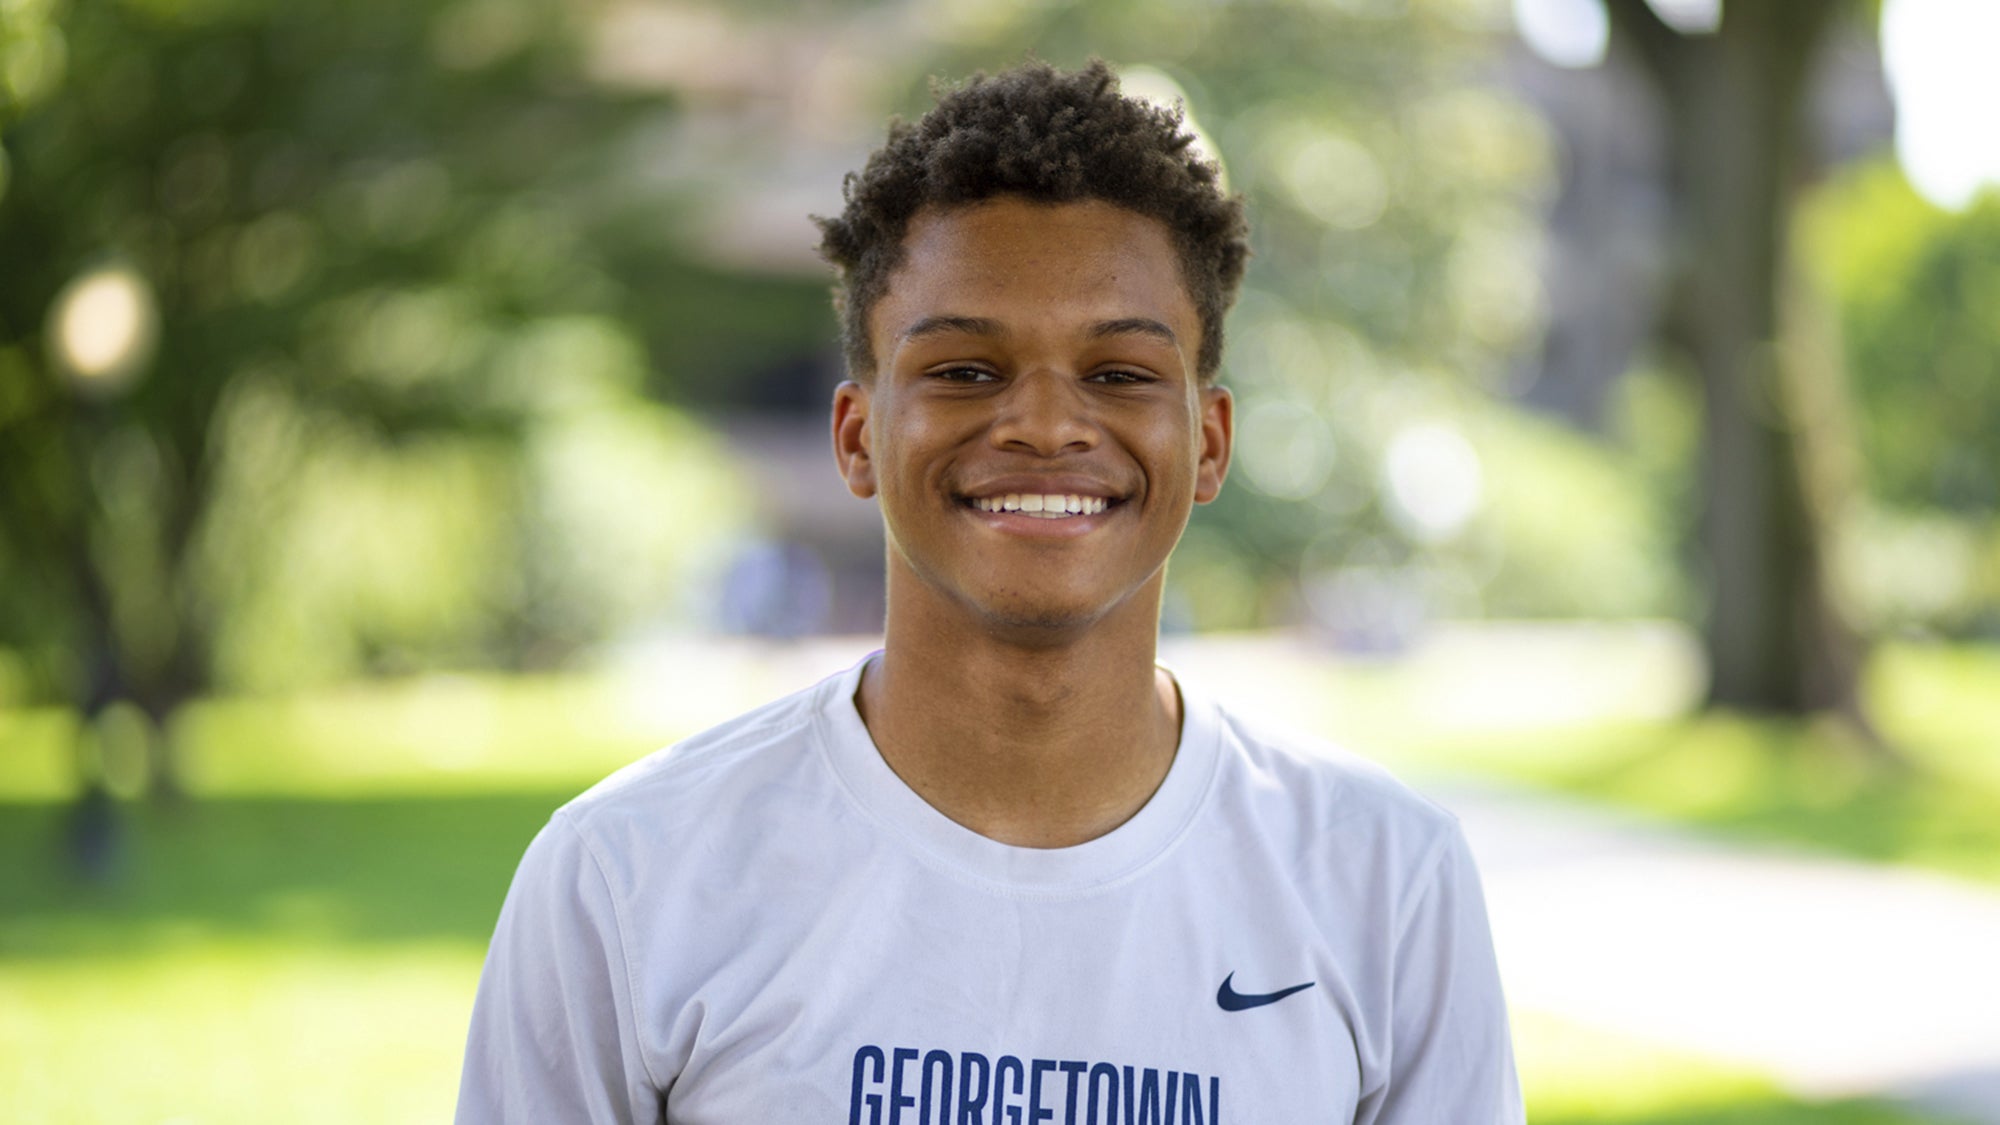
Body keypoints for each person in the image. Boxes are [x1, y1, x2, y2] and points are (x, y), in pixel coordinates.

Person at [456, 59, 1522, 1124]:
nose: (1046, 426)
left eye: (1118, 373)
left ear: (1208, 441)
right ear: (856, 434)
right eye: (965, 370)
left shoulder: (1384, 882)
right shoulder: (626, 875)